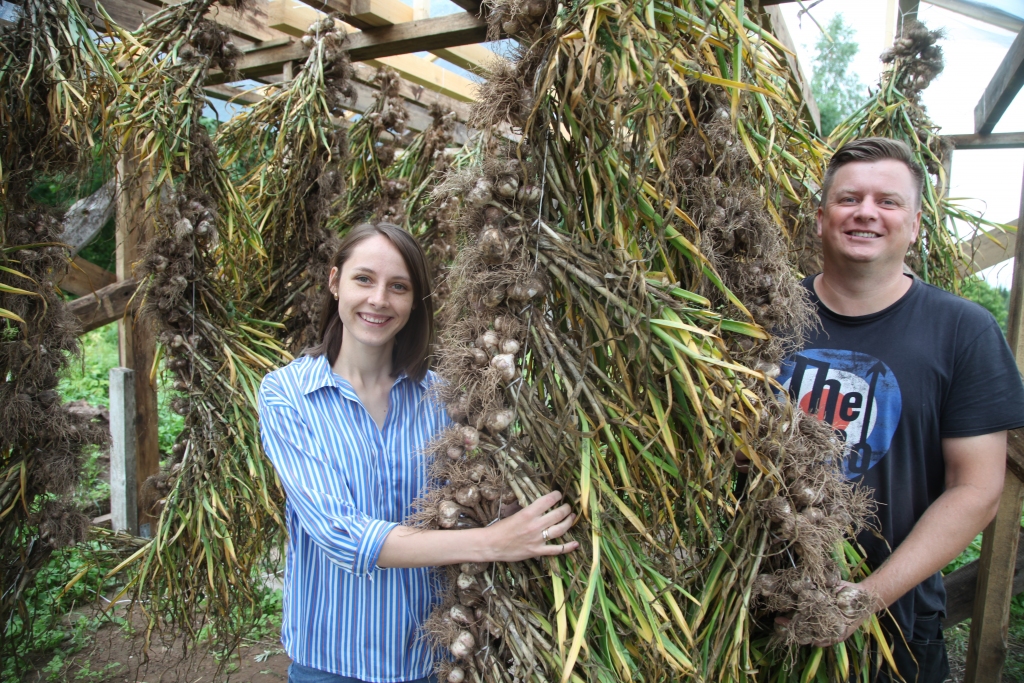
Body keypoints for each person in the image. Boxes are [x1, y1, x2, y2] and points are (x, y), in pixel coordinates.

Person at [257, 222, 579, 683]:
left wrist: (504, 506)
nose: (379, 300)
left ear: (414, 301)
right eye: (363, 279)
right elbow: (339, 534)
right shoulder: (287, 395)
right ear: (335, 283)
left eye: (399, 287)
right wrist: (493, 543)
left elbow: (472, 496)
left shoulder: (445, 400)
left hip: (433, 663)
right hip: (332, 663)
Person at [776, 137, 1024, 682]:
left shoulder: (962, 331)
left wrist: (866, 597)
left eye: (888, 202)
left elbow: (977, 491)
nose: (866, 212)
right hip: (758, 611)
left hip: (894, 626)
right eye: (849, 199)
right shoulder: (763, 315)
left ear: (914, 225)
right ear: (820, 219)